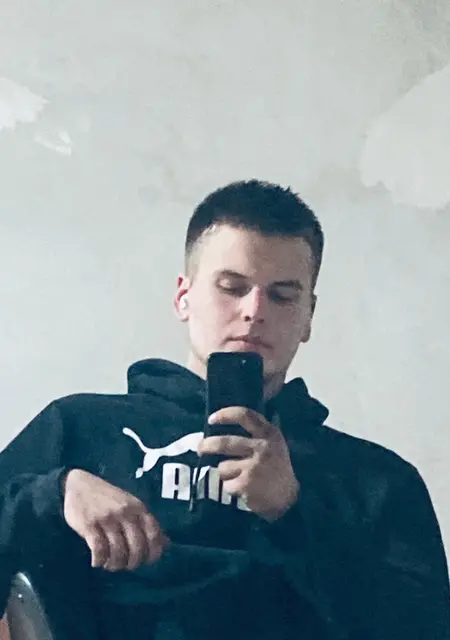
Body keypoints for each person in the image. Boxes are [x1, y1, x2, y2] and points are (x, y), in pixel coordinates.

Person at [0, 179, 449, 639]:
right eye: (232, 287)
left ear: (308, 316)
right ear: (184, 297)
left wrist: (294, 513)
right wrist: (53, 494)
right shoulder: (82, 429)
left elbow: (423, 628)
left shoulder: (376, 480)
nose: (254, 311)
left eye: (282, 295)